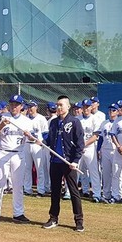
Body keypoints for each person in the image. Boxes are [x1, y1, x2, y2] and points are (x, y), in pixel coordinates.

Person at [0, 95, 33, 224]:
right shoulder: (3, 118)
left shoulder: (26, 121)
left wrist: (29, 136)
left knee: (17, 185)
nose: (14, 106)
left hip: (18, 154)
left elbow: (33, 139)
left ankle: (18, 213)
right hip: (3, 152)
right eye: (12, 104)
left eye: (17, 104)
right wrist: (2, 125)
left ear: (21, 106)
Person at [43, 95, 85, 232]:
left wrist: (75, 161)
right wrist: (41, 142)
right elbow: (50, 140)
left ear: (68, 106)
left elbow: (80, 143)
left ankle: (79, 221)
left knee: (73, 192)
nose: (59, 107)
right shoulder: (53, 122)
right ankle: (53, 218)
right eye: (57, 105)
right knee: (55, 191)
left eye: (61, 105)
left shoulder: (74, 122)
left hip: (68, 162)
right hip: (55, 161)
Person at [24, 101, 49, 197]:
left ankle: (41, 190)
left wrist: (42, 142)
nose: (30, 109)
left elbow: (46, 133)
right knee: (27, 168)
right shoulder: (25, 118)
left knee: (40, 168)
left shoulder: (41, 118)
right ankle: (27, 189)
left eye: (32, 107)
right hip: (27, 144)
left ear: (36, 107)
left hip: (37, 145)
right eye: (28, 107)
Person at [78, 99, 102, 202]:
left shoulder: (95, 119)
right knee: (75, 170)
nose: (86, 108)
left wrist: (84, 144)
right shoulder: (77, 119)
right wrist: (79, 146)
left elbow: (96, 135)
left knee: (93, 171)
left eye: (88, 106)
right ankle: (69, 192)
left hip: (90, 147)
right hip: (78, 148)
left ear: (91, 107)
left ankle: (97, 194)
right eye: (84, 106)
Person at [99, 103, 119, 203]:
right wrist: (98, 149)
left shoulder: (119, 122)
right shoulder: (104, 123)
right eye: (110, 110)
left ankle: (116, 194)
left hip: (116, 150)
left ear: (118, 111)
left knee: (116, 173)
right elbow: (100, 138)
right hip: (105, 149)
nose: (111, 112)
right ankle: (106, 194)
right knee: (106, 173)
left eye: (114, 110)